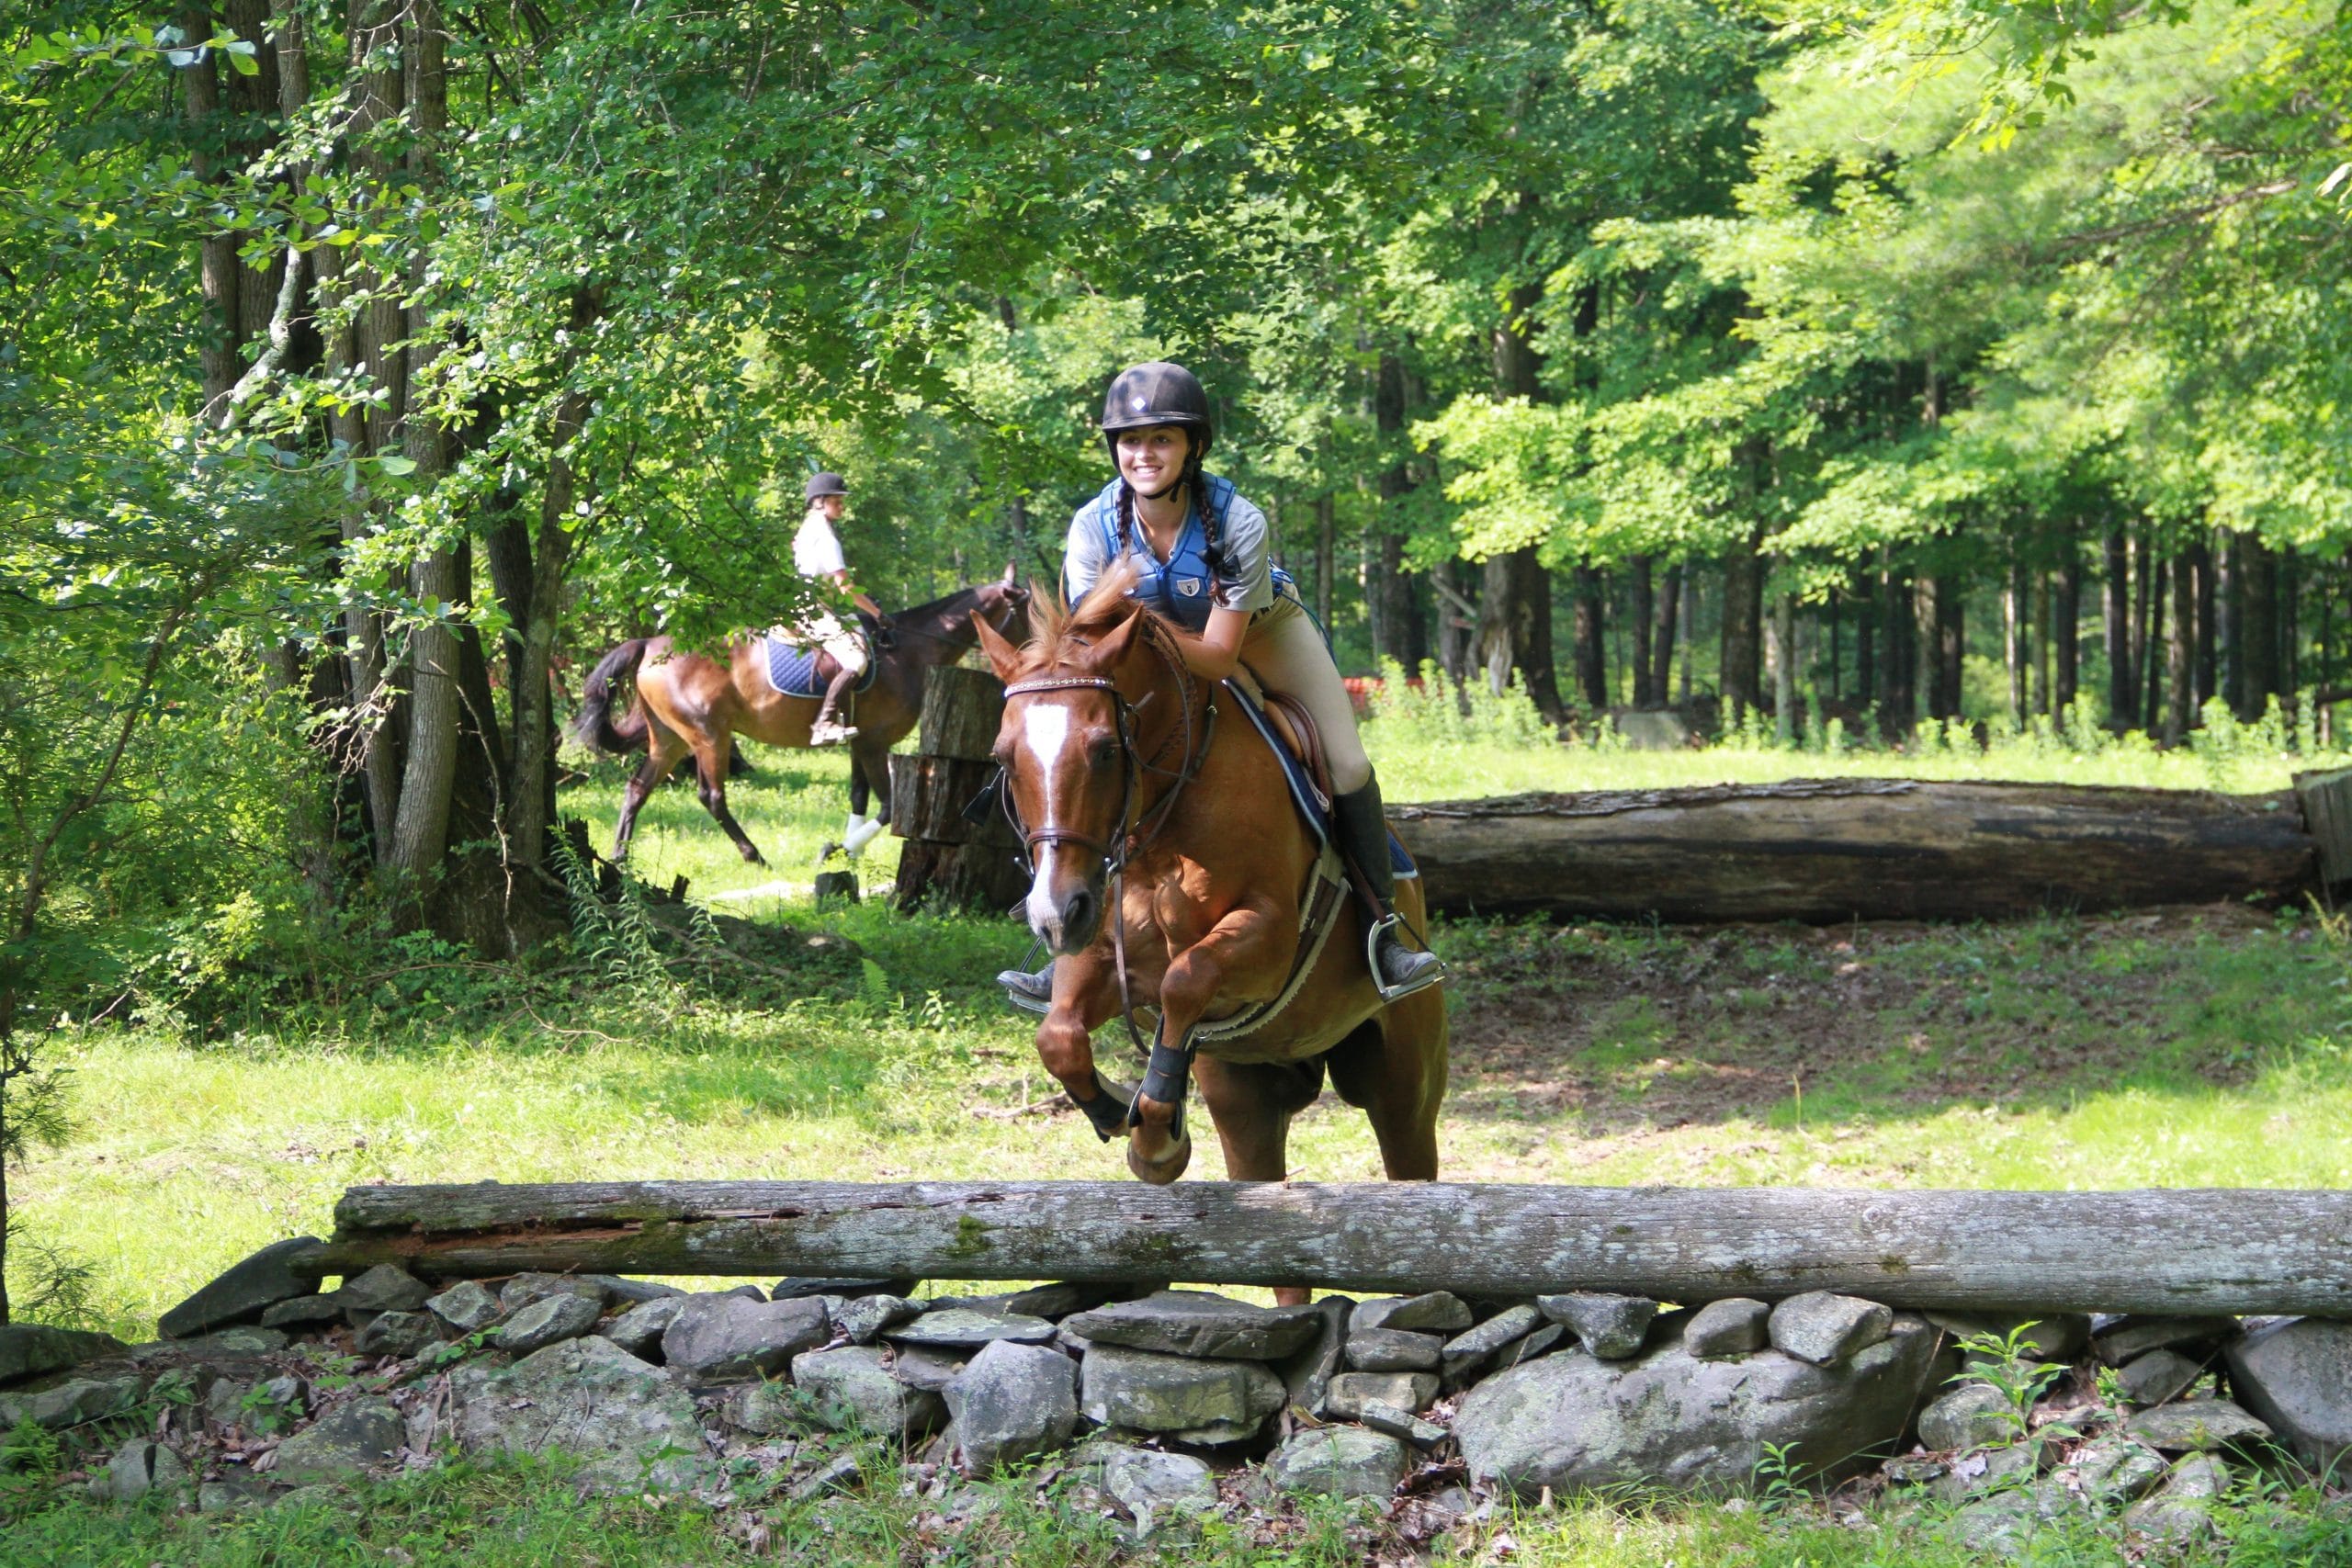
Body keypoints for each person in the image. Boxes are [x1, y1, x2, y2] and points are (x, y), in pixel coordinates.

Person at [999, 361, 1442, 1003]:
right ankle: (1069, 946)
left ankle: (1385, 931)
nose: (1143, 454)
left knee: (1344, 764)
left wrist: (1143, 632)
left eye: (1162, 439)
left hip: (1256, 634)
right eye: (1130, 440)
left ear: (1192, 447)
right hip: (1150, 653)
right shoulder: (1092, 527)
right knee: (1091, 760)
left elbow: (1217, 654)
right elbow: (1084, 649)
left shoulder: (1237, 521)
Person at [792, 471, 884, 746]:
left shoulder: (808, 528)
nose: (842, 506)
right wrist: (877, 614)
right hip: (812, 608)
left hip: (815, 603)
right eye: (837, 501)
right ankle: (825, 723)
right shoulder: (825, 536)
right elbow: (844, 585)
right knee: (857, 660)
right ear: (819, 502)